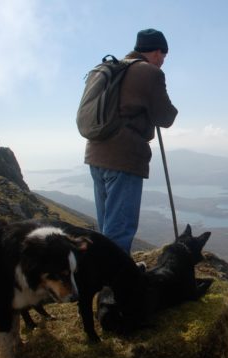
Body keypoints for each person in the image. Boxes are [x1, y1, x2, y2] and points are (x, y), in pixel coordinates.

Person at [84, 28, 178, 254]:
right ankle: (116, 286)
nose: (163, 61)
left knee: (107, 226)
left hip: (96, 155)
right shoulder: (149, 73)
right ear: (157, 52)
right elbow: (166, 117)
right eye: (163, 56)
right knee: (119, 232)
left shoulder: (109, 69)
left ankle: (105, 279)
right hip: (124, 160)